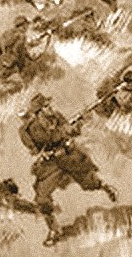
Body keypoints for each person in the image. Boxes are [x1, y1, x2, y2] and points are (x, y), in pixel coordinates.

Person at [18, 93, 117, 245]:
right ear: (39, 111)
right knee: (42, 197)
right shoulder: (31, 128)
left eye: (49, 105)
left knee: (89, 182)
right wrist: (61, 134)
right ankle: (54, 229)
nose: (50, 108)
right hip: (52, 163)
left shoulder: (56, 117)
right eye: (46, 106)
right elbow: (42, 144)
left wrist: (80, 123)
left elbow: (72, 132)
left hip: (68, 155)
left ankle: (105, 187)